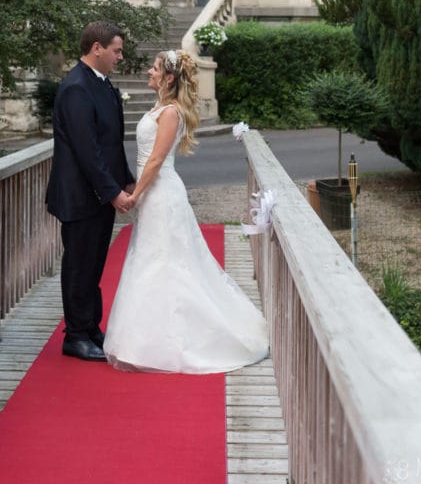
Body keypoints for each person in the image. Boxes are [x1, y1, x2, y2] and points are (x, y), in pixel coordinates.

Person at [104, 49, 269, 373]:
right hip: (153, 195)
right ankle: (145, 340)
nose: (148, 73)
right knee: (152, 259)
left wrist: (134, 195)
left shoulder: (171, 113)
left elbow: (155, 160)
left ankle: (173, 341)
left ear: (167, 78)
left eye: (154, 69)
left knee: (166, 262)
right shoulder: (160, 107)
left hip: (161, 194)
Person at [46, 21, 135, 362]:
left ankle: (90, 325)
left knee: (95, 263)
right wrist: (114, 193)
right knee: (79, 265)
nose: (120, 56)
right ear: (96, 48)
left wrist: (125, 179)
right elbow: (87, 150)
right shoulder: (76, 88)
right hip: (80, 195)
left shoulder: (102, 85)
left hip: (98, 195)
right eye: (116, 50)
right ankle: (75, 335)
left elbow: (110, 143)